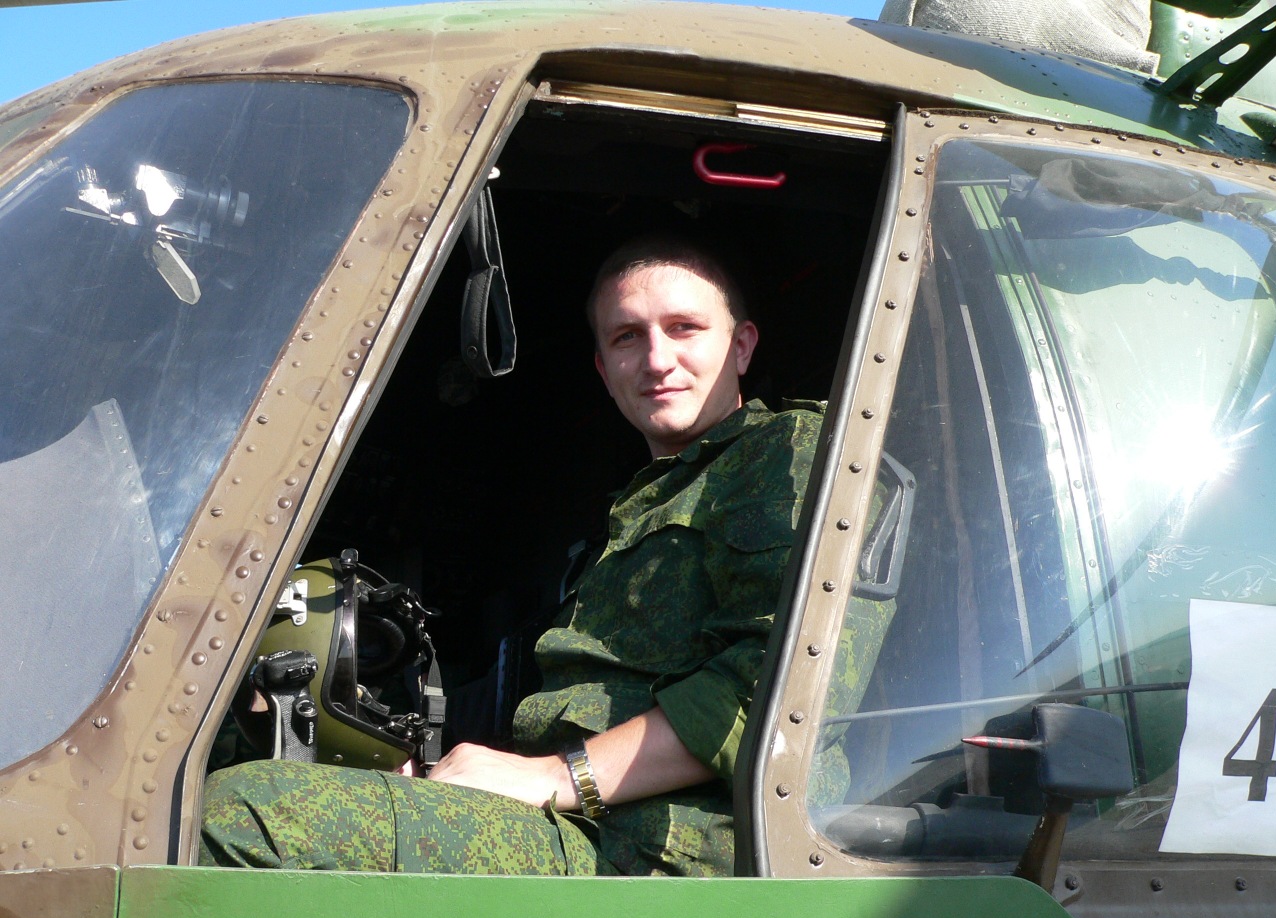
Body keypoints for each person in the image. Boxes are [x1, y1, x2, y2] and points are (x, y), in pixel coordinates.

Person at [200, 237, 825, 876]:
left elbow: (779, 684)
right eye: (627, 338)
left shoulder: (787, 454)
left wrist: (556, 776)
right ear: (604, 369)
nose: (657, 359)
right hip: (584, 825)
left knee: (244, 815)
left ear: (741, 346)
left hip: (665, 853)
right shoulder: (631, 513)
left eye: (684, 328)